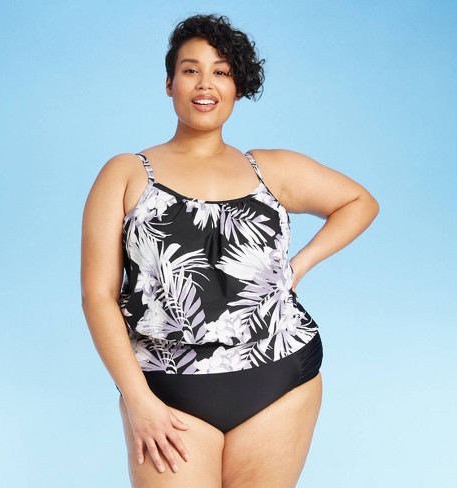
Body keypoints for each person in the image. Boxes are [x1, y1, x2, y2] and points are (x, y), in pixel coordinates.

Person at [81, 13, 379, 488]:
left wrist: (298, 267)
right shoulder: (125, 174)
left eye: (220, 71)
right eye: (190, 70)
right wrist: (138, 401)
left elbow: (359, 202)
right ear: (169, 84)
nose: (206, 84)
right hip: (168, 392)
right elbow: (97, 296)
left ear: (236, 87)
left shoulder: (270, 170)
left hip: (280, 379)